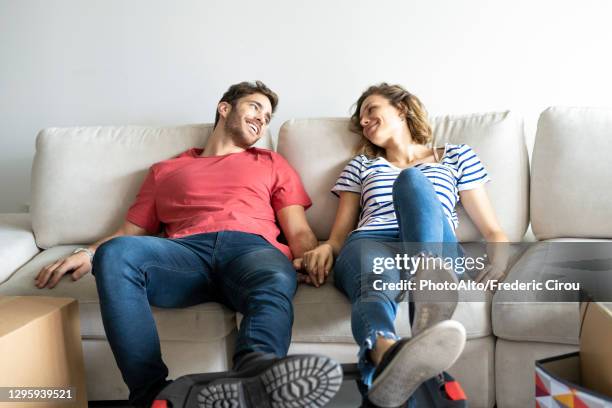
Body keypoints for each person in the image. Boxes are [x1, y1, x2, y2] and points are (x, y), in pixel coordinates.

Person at [34, 81, 343, 408]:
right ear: (224, 108)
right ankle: (154, 395)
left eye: (267, 117)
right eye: (255, 107)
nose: (262, 119)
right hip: (183, 256)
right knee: (114, 254)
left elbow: (298, 231)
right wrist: (88, 252)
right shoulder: (166, 170)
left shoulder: (271, 163)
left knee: (274, 277)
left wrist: (310, 258)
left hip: (252, 251)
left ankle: (255, 380)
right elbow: (129, 232)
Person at [297, 83, 509, 407]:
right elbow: (339, 235)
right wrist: (325, 248)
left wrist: (500, 262)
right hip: (372, 242)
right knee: (373, 285)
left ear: (401, 109)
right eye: (361, 120)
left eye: (371, 110)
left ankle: (427, 285)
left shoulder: (455, 155)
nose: (365, 122)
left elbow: (493, 230)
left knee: (411, 180)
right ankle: (387, 354)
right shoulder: (361, 165)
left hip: (435, 246)